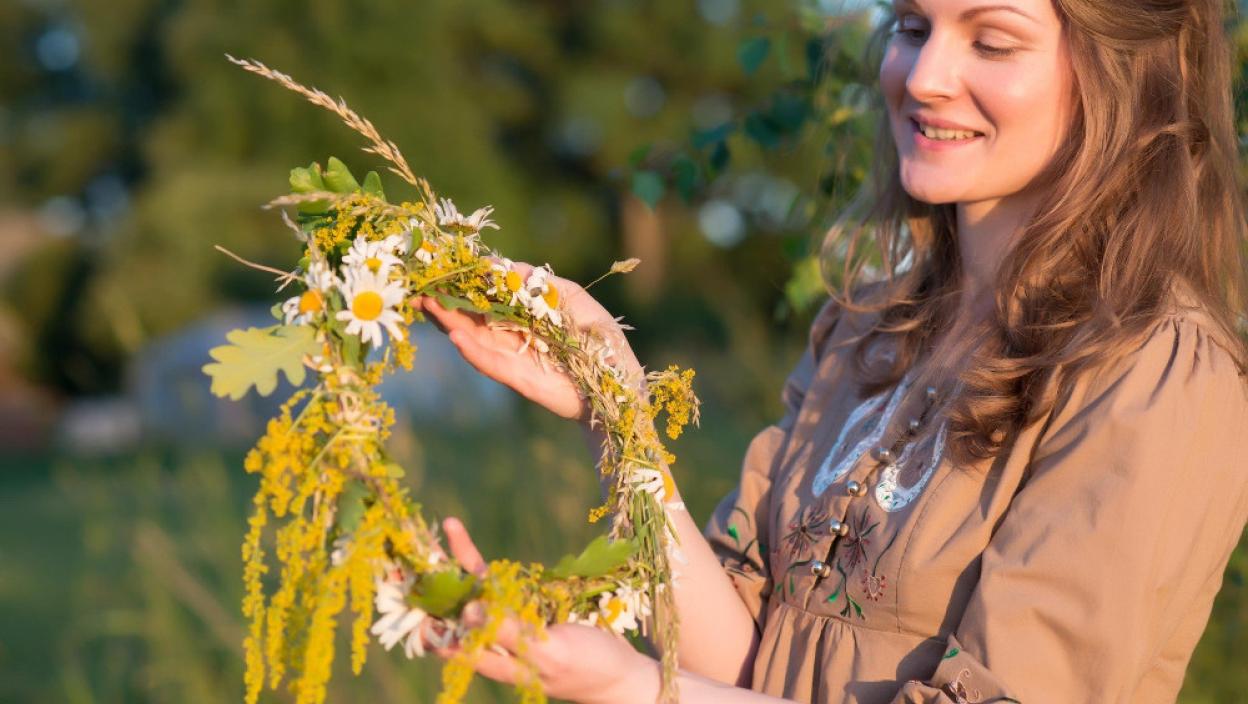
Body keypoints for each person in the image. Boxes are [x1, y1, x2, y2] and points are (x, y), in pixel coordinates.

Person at [414, 0, 1248, 701]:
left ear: (1126, 75)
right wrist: (611, 402)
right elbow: (739, 664)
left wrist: (631, 688)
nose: (923, 77)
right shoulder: (867, 330)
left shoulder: (1159, 375)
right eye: (913, 27)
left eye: (992, 41)